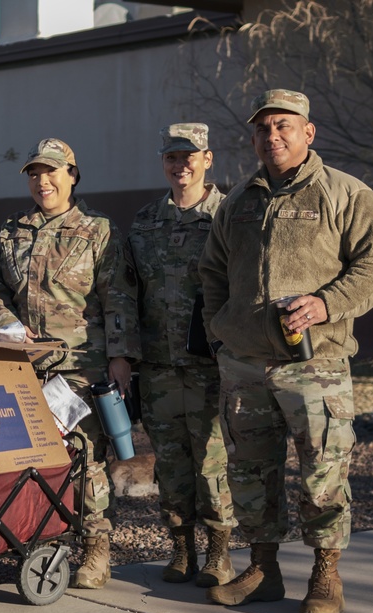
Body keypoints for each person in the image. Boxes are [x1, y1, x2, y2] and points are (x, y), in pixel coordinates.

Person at [199, 89, 373, 613]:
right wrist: (221, 331)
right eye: (264, 129)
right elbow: (212, 273)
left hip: (316, 365)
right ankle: (262, 568)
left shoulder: (346, 195)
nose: (273, 136)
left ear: (308, 133)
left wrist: (326, 303)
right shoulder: (238, 202)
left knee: (323, 473)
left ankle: (325, 574)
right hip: (244, 365)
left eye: (284, 126)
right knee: (249, 473)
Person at [0, 138, 140, 589]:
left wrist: (120, 357)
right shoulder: (12, 231)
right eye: (34, 173)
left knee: (87, 459)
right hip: (22, 367)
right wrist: (7, 322)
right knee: (25, 459)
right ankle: (35, 544)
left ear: (72, 174)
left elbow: (119, 298)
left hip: (80, 368)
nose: (42, 180)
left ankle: (95, 552)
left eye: (51, 171)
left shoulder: (98, 230)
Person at [126, 124, 236, 588]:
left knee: (212, 462)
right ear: (164, 163)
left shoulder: (229, 216)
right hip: (158, 367)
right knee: (170, 463)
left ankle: (219, 553)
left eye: (189, 156)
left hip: (211, 366)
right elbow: (129, 292)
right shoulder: (145, 222)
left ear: (207, 159)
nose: (181, 164)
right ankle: (182, 548)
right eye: (172, 157)